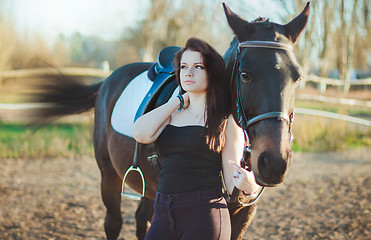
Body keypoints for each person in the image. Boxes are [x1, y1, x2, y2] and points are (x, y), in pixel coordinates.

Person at [132, 37, 260, 240]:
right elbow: (140, 133)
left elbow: (231, 178)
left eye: (198, 66)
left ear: (212, 73)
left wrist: (251, 187)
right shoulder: (170, 114)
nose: (188, 72)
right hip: (164, 211)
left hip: (204, 215)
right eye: (184, 66)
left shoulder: (226, 120)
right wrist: (178, 100)